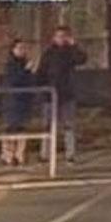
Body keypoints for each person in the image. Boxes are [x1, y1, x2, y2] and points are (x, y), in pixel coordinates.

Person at [36, 25, 87, 163]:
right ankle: (45, 154)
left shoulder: (70, 52)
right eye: (58, 36)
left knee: (68, 125)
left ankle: (70, 154)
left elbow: (82, 59)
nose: (61, 39)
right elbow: (41, 72)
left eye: (64, 36)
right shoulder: (48, 53)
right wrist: (42, 89)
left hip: (67, 95)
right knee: (47, 125)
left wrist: (74, 45)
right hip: (50, 95)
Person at [0, 38, 36, 166]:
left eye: (24, 48)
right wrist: (25, 70)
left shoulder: (25, 63)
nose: (22, 50)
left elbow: (30, 81)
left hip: (24, 101)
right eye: (19, 48)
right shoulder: (11, 65)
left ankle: (20, 155)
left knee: (22, 129)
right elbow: (13, 80)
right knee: (10, 129)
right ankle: (7, 155)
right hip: (12, 101)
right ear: (13, 50)